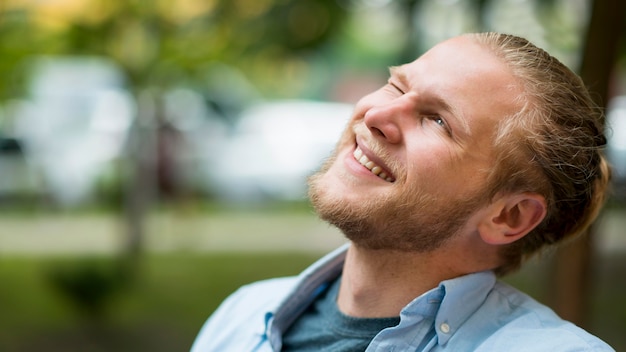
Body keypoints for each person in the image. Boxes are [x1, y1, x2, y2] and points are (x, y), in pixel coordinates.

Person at [191, 32, 614, 351]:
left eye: (437, 120)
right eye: (396, 86)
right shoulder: (241, 316)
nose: (376, 114)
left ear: (509, 216)